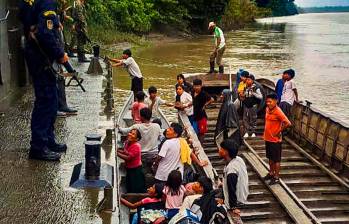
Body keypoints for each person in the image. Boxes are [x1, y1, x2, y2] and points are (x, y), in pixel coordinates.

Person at [19, 0, 69, 161]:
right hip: (40, 57)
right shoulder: (47, 2)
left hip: (37, 54)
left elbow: (24, 17)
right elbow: (45, 33)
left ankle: (48, 140)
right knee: (46, 101)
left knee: (52, 99)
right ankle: (38, 147)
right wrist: (60, 54)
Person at [263, 94, 292, 185]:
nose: (268, 103)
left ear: (276, 101)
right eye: (267, 101)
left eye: (270, 102)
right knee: (270, 157)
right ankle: (271, 173)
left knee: (276, 159)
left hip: (275, 140)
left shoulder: (278, 111)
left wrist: (279, 131)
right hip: (267, 138)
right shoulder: (267, 109)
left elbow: (288, 123)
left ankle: (276, 177)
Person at [219, 139, 249, 216]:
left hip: (237, 200)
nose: (219, 150)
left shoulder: (232, 170)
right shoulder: (238, 159)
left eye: (221, 149)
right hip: (242, 196)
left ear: (226, 152)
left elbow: (232, 189)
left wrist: (233, 207)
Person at [117, 129, 145, 193]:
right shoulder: (127, 142)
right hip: (129, 168)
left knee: (135, 186)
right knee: (129, 184)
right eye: (130, 132)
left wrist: (117, 154)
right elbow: (125, 152)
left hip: (136, 169)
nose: (130, 134)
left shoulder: (136, 146)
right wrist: (117, 150)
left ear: (137, 139)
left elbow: (128, 158)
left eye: (133, 134)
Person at [190, 79, 213, 143]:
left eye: (198, 86)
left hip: (202, 116)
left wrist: (205, 105)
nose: (196, 87)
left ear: (201, 86)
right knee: (195, 132)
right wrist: (187, 105)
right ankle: (196, 144)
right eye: (195, 86)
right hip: (195, 115)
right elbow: (194, 101)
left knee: (201, 133)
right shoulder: (192, 92)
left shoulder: (203, 93)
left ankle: (201, 145)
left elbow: (211, 99)